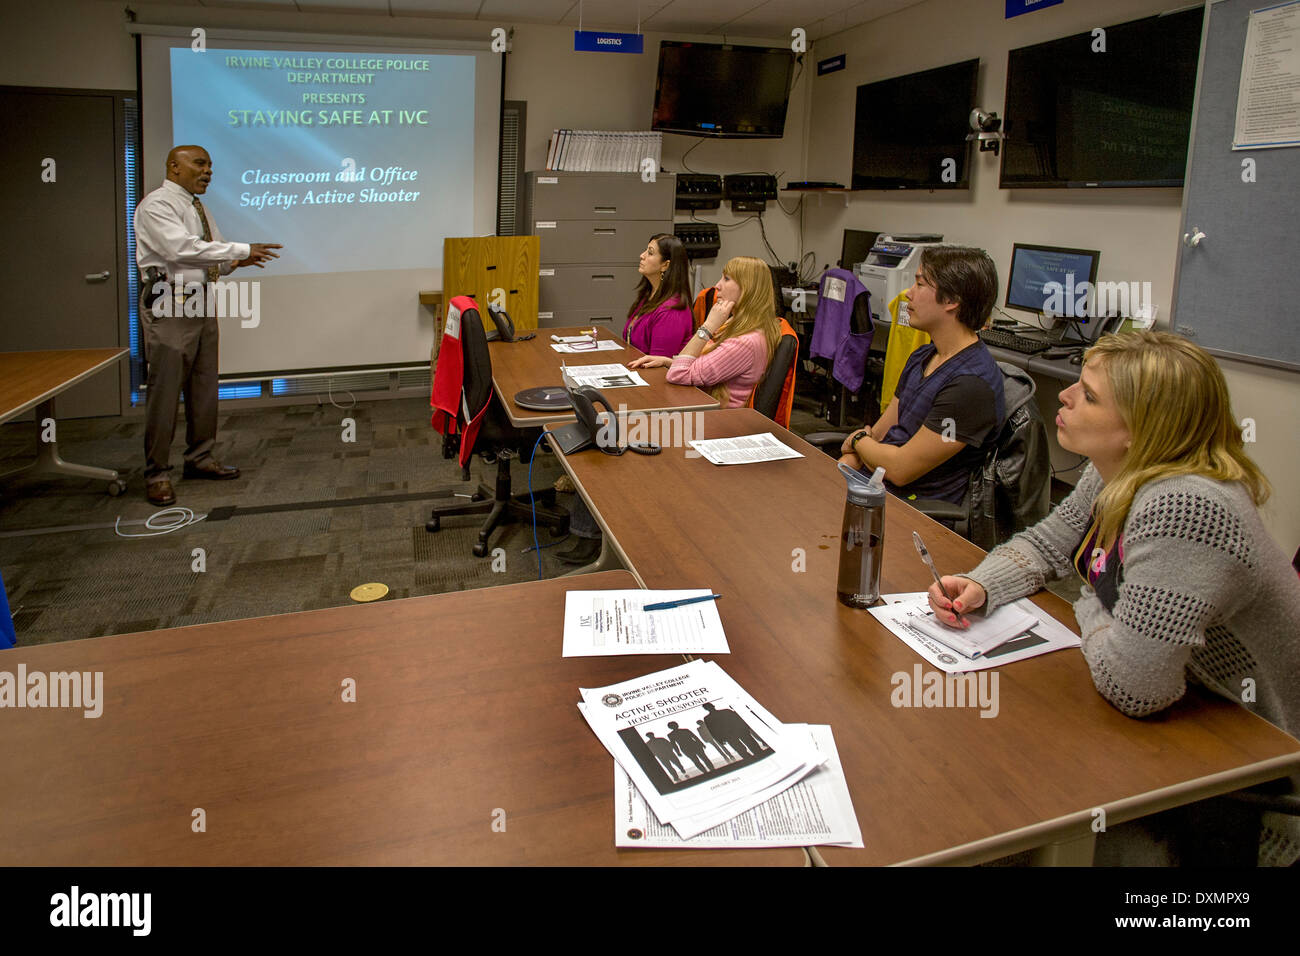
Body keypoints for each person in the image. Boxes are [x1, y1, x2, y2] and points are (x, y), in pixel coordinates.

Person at [926, 330, 1300, 865]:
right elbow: (1049, 543)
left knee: (1001, 807)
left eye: (1091, 395)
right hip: (1187, 721)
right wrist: (985, 584)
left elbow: (1135, 687)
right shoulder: (1120, 472)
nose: (1065, 395)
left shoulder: (1187, 508)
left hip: (1246, 776)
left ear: (1141, 431)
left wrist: (1093, 603)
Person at [134, 145, 282, 506]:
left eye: (211, 166)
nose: (208, 171)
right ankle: (157, 474)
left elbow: (208, 252)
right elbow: (179, 249)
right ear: (173, 166)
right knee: (165, 391)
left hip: (200, 299)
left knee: (203, 386)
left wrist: (235, 263)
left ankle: (199, 459)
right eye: (200, 164)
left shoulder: (198, 206)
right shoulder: (158, 205)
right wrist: (240, 249)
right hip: (169, 301)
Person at [552, 235, 693, 565]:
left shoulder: (672, 311)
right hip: (632, 388)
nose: (641, 256)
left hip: (654, 403)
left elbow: (659, 374)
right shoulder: (650, 298)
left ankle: (589, 536)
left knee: (599, 435)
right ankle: (582, 517)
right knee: (584, 411)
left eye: (650, 252)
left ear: (667, 265)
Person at [838, 246, 1004, 506]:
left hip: (912, 508)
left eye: (919, 284)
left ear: (951, 301)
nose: (908, 294)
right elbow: (880, 433)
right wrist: (849, 461)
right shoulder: (923, 356)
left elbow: (901, 469)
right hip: (874, 484)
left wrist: (858, 441)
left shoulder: (971, 385)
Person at [628, 255, 781, 409]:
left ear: (747, 288)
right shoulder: (740, 326)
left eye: (726, 279)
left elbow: (678, 374)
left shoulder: (745, 342)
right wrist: (668, 362)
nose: (717, 285)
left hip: (717, 421)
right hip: (706, 408)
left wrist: (708, 327)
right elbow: (707, 366)